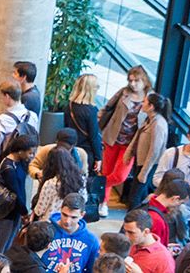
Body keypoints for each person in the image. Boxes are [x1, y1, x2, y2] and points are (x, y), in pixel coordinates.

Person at [98, 67, 151, 212]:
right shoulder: (123, 92)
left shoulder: (149, 98)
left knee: (120, 176)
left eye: (137, 80)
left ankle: (97, 185)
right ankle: (103, 202)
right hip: (113, 137)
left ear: (144, 80)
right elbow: (108, 107)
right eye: (131, 80)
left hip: (131, 144)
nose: (133, 84)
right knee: (106, 170)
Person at [62, 75, 103, 219]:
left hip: (71, 150)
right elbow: (94, 136)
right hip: (87, 152)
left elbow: (66, 128)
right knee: (84, 185)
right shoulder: (91, 110)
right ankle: (79, 214)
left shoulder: (69, 106)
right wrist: (98, 157)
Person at [35, 193, 99, 273]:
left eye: (73, 217)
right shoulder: (45, 232)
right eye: (65, 215)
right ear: (60, 210)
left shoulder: (91, 241)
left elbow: (92, 270)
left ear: (82, 215)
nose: (67, 221)